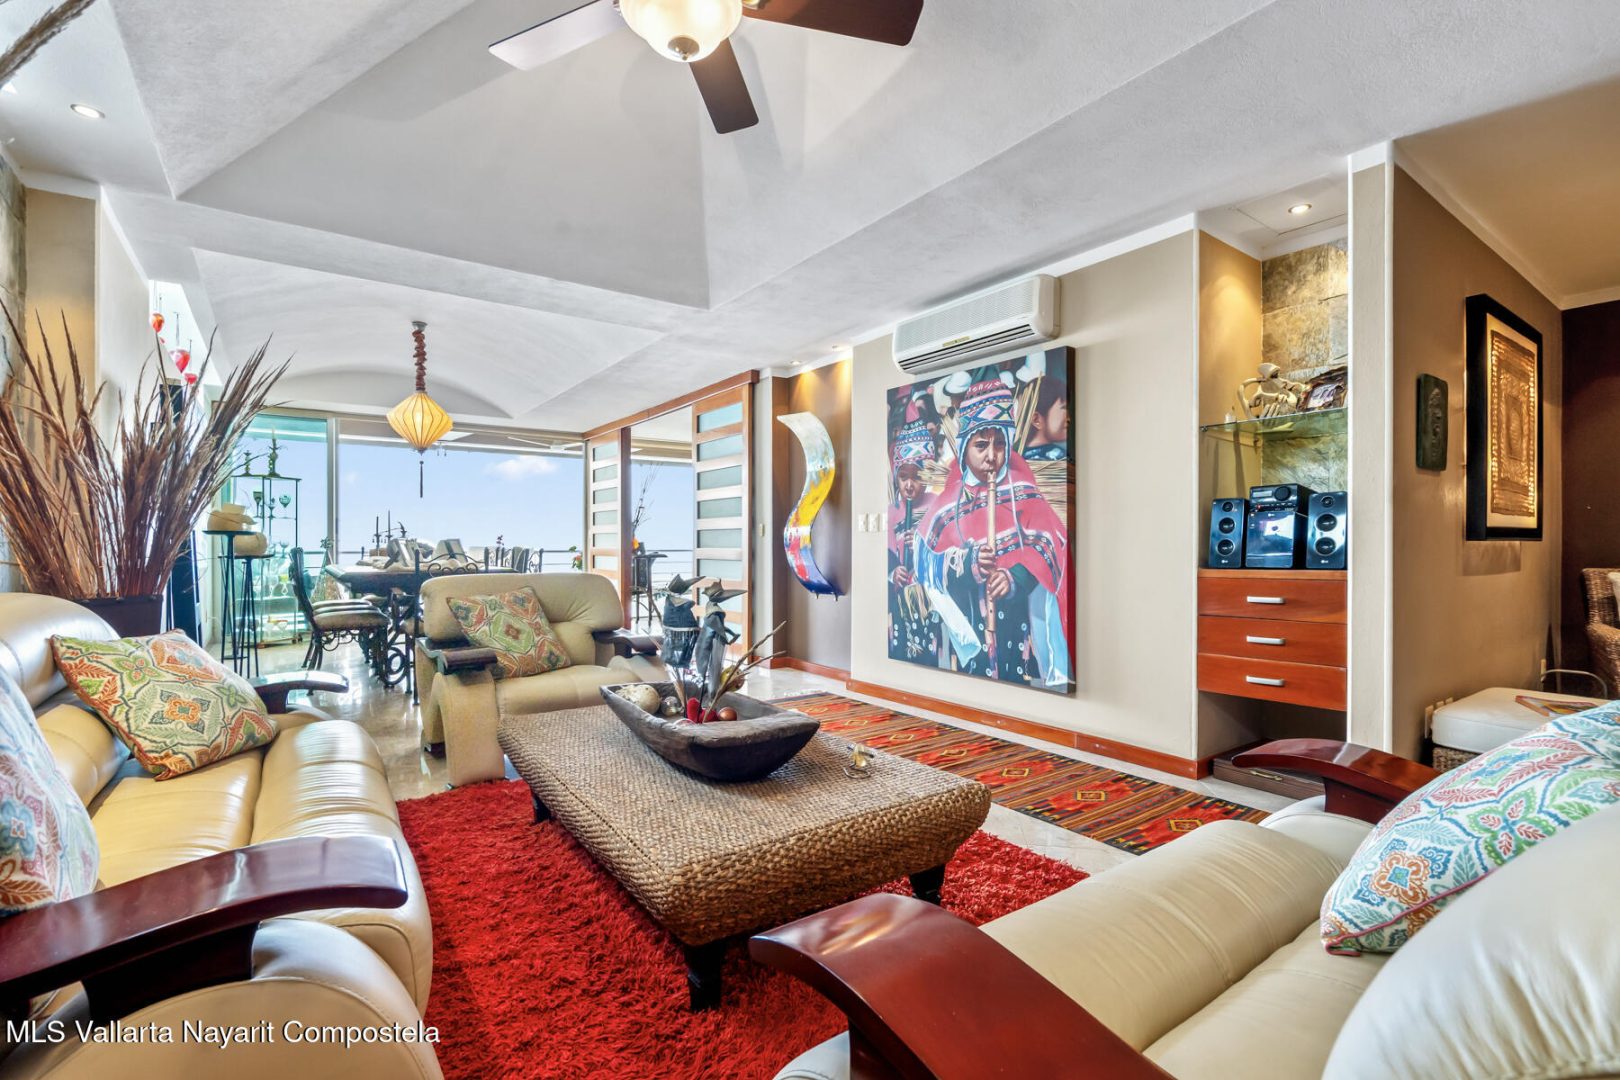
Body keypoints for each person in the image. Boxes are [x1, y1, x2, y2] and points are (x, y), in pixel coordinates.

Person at [914, 370, 1071, 688]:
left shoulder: (1024, 491)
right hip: (973, 632)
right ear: (964, 448)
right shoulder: (947, 505)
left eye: (999, 444)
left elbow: (1050, 546)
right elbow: (925, 562)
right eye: (981, 445)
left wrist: (1015, 577)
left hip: (1018, 628)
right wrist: (967, 562)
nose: (991, 456)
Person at [887, 415, 940, 662]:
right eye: (903, 477)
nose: (909, 485)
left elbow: (946, 549)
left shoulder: (936, 506)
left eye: (916, 477)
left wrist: (922, 546)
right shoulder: (891, 512)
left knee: (930, 654)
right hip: (901, 600)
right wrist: (892, 573)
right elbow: (886, 554)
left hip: (929, 599)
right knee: (901, 650)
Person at [1022, 375, 1069, 460]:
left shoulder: (1016, 458)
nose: (1069, 418)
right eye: (1065, 408)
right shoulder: (1060, 457)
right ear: (1036, 420)